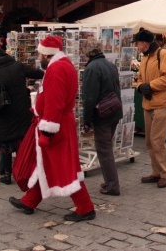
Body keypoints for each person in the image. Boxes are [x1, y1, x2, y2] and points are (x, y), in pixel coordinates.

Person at [9, 36, 96, 221]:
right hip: (59, 123)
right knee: (49, 164)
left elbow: (55, 102)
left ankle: (85, 207)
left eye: (40, 54)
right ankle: (30, 200)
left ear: (47, 54)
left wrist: (47, 130)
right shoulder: (63, 65)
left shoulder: (56, 69)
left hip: (56, 126)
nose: (38, 57)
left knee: (65, 167)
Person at [0, 48, 44, 185]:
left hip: (4, 112)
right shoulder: (17, 66)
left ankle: (7, 174)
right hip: (21, 109)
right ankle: (23, 171)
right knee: (21, 142)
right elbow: (37, 73)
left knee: (6, 145)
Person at [134, 28, 166, 189]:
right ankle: (156, 172)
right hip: (148, 104)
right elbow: (140, 78)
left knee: (157, 139)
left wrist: (151, 86)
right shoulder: (145, 57)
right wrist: (140, 87)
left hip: (163, 103)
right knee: (149, 141)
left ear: (145, 43)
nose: (137, 46)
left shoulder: (163, 54)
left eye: (138, 43)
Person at [81, 38, 123, 196]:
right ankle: (109, 182)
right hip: (114, 112)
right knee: (106, 148)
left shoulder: (92, 68)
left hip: (103, 115)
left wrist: (86, 120)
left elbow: (89, 97)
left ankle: (112, 186)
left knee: (104, 151)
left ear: (88, 52)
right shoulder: (110, 65)